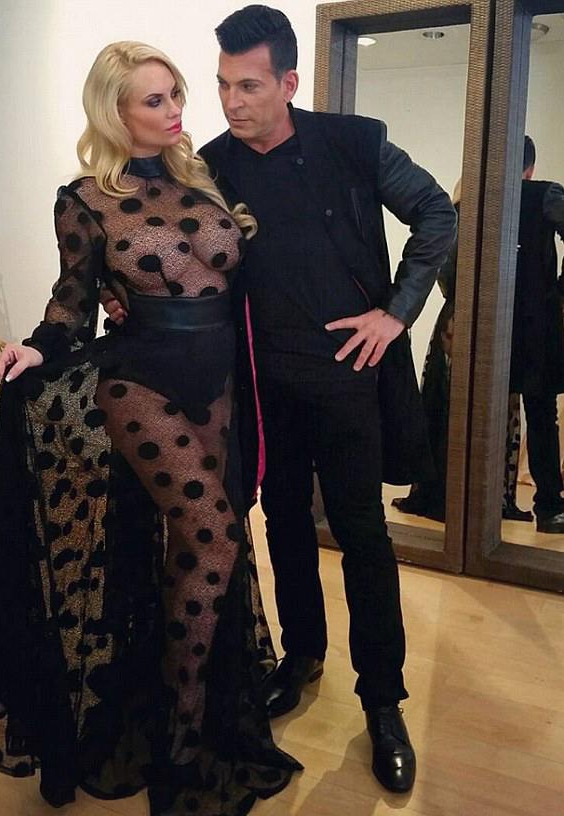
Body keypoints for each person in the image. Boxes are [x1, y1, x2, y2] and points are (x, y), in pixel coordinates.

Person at [105, 6, 456, 795]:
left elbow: (438, 212)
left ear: (289, 82)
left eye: (250, 86)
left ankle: (384, 702)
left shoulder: (354, 142)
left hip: (350, 380)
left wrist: (397, 313)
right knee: (286, 525)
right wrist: (122, 295)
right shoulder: (211, 167)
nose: (232, 102)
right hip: (262, 389)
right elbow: (165, 248)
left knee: (363, 536)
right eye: (224, 85)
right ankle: (302, 659)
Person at [0, 41, 301, 815]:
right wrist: (38, 346)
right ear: (114, 112)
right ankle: (181, 741)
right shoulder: (85, 199)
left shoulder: (204, 179)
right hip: (140, 383)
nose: (175, 108)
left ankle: (173, 705)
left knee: (191, 552)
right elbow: (72, 300)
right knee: (214, 538)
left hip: (220, 385)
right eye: (155, 99)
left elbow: (245, 277)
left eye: (176, 92)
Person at [393, 180, 530, 523]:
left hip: (457, 318)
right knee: (477, 408)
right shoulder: (495, 220)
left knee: (448, 406)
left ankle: (446, 494)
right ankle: (471, 498)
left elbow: (445, 273)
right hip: (478, 322)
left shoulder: (458, 217)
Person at [509, 135, 564, 533]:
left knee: (480, 414)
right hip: (537, 324)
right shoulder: (545, 195)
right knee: (541, 414)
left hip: (486, 320)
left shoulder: (474, 198)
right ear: (529, 168)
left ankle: (481, 506)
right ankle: (549, 507)